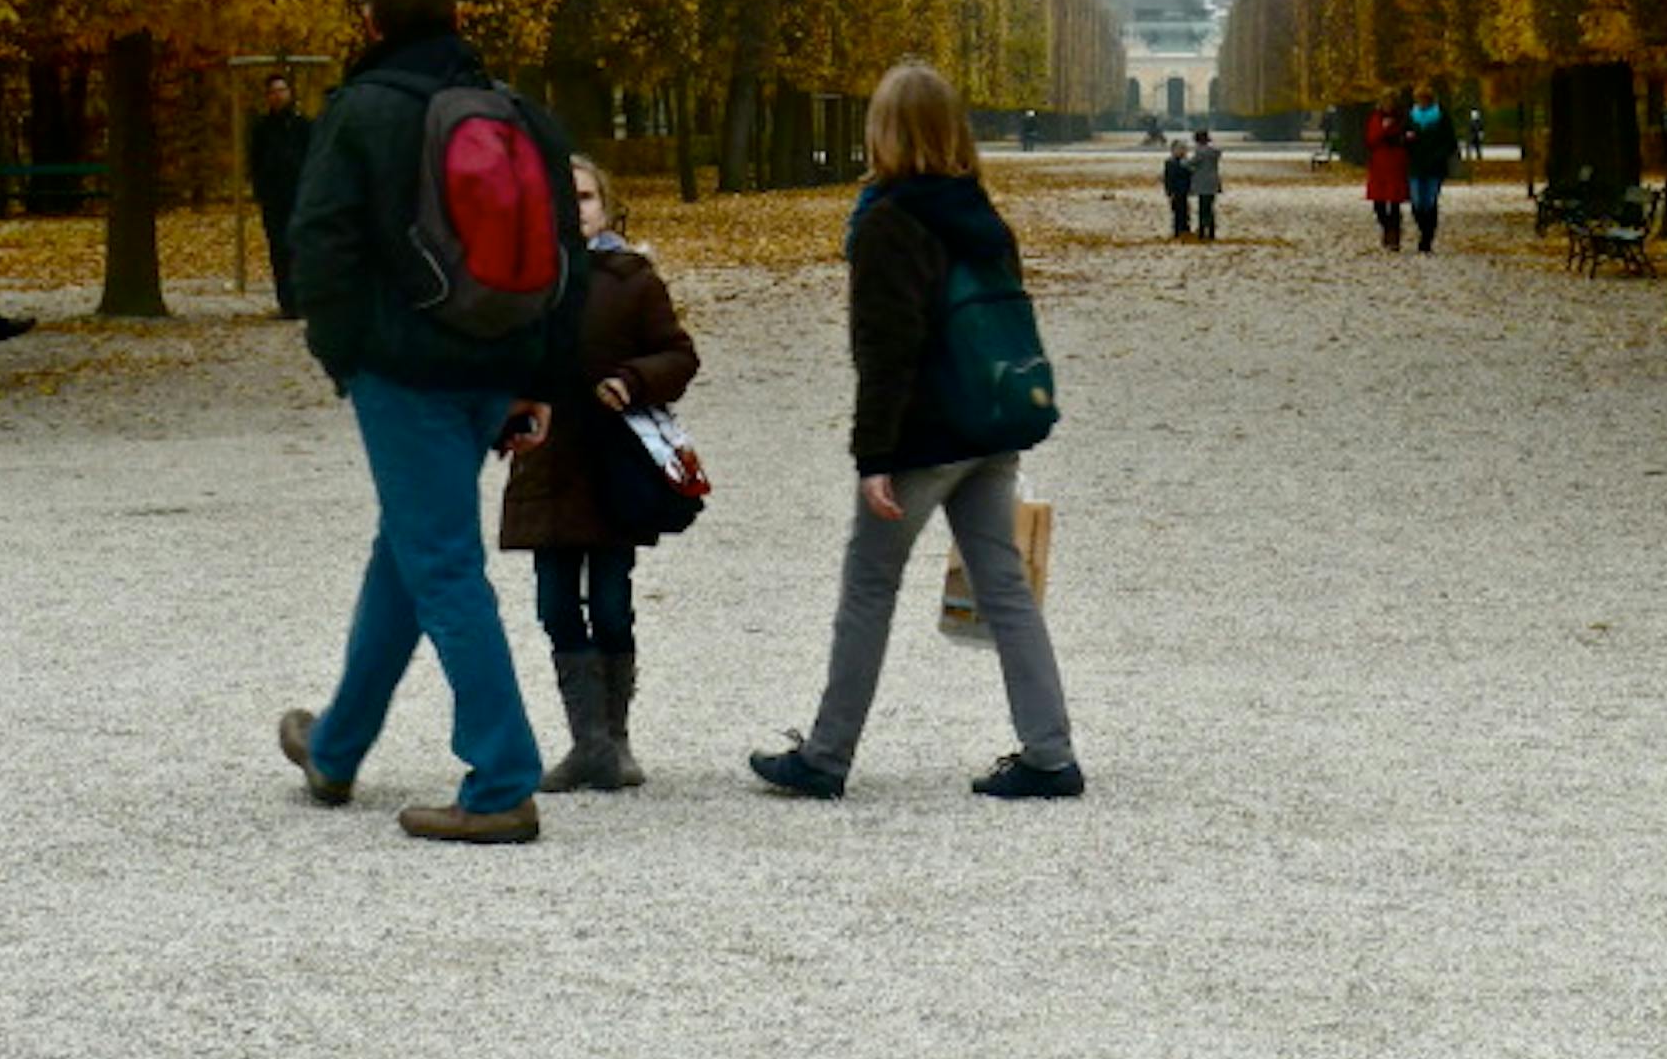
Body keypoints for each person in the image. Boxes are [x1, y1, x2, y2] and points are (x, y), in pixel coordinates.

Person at [279, 0, 588, 846]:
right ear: (460, 17)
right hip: (497, 360)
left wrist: (348, 361)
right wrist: (540, 377)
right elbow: (566, 259)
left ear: (370, 25)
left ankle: (501, 780)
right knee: (410, 547)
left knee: (442, 563)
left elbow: (321, 247)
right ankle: (335, 748)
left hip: (404, 369)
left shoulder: (360, 113)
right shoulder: (524, 117)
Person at [749, 61, 1081, 803]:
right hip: (989, 423)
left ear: (883, 131)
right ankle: (1050, 751)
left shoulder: (889, 220)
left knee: (869, 586)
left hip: (925, 434)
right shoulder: (980, 213)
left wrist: (875, 456)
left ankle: (827, 756)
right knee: (1005, 587)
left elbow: (886, 347)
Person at [499, 156, 697, 792]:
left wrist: (632, 380)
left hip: (611, 466)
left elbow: (678, 354)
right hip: (548, 468)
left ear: (606, 207)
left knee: (612, 604)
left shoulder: (631, 278)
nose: (573, 208)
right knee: (555, 604)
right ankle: (587, 741)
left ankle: (615, 738)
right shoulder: (525, 282)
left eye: (583, 197)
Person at [247, 69, 314, 317]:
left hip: (300, 198)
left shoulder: (303, 126)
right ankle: (287, 303)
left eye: (282, 90)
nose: (277, 96)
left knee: (300, 249)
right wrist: (261, 190)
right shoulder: (262, 129)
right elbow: (255, 162)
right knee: (279, 251)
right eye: (273, 92)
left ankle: (303, 301)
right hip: (274, 200)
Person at [1405, 85, 1460, 254]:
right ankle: (1424, 230)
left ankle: (1427, 238)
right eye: (1419, 99)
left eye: (1424, 99)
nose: (1421, 102)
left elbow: (1450, 141)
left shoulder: (1441, 116)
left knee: (1430, 202)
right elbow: (1401, 137)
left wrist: (1439, 154)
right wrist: (1407, 139)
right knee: (1416, 202)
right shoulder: (1410, 116)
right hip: (1415, 165)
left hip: (1435, 166)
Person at [1364, 91, 1411, 249]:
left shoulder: (1403, 118)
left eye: (1391, 102)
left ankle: (1394, 234)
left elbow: (1408, 136)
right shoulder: (1376, 118)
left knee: (1395, 202)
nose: (1388, 105)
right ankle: (1387, 228)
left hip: (1396, 162)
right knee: (1379, 204)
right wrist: (1384, 129)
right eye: (1385, 102)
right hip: (1379, 164)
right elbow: (1371, 139)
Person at [1189, 127, 1222, 240]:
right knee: (1210, 208)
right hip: (1213, 183)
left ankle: (1202, 231)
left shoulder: (1200, 152)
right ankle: (1211, 231)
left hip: (1202, 184)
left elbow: (1190, 163)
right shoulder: (1214, 152)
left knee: (1203, 208)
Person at [1160, 137, 1193, 239]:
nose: (1183, 151)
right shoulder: (1170, 162)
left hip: (1185, 190)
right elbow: (1167, 178)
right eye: (1180, 149)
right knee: (1177, 211)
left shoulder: (1187, 162)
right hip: (1175, 191)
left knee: (1185, 211)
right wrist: (1169, 191)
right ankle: (1178, 231)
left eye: (1184, 149)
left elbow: (1190, 176)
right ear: (1173, 150)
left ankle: (1185, 229)